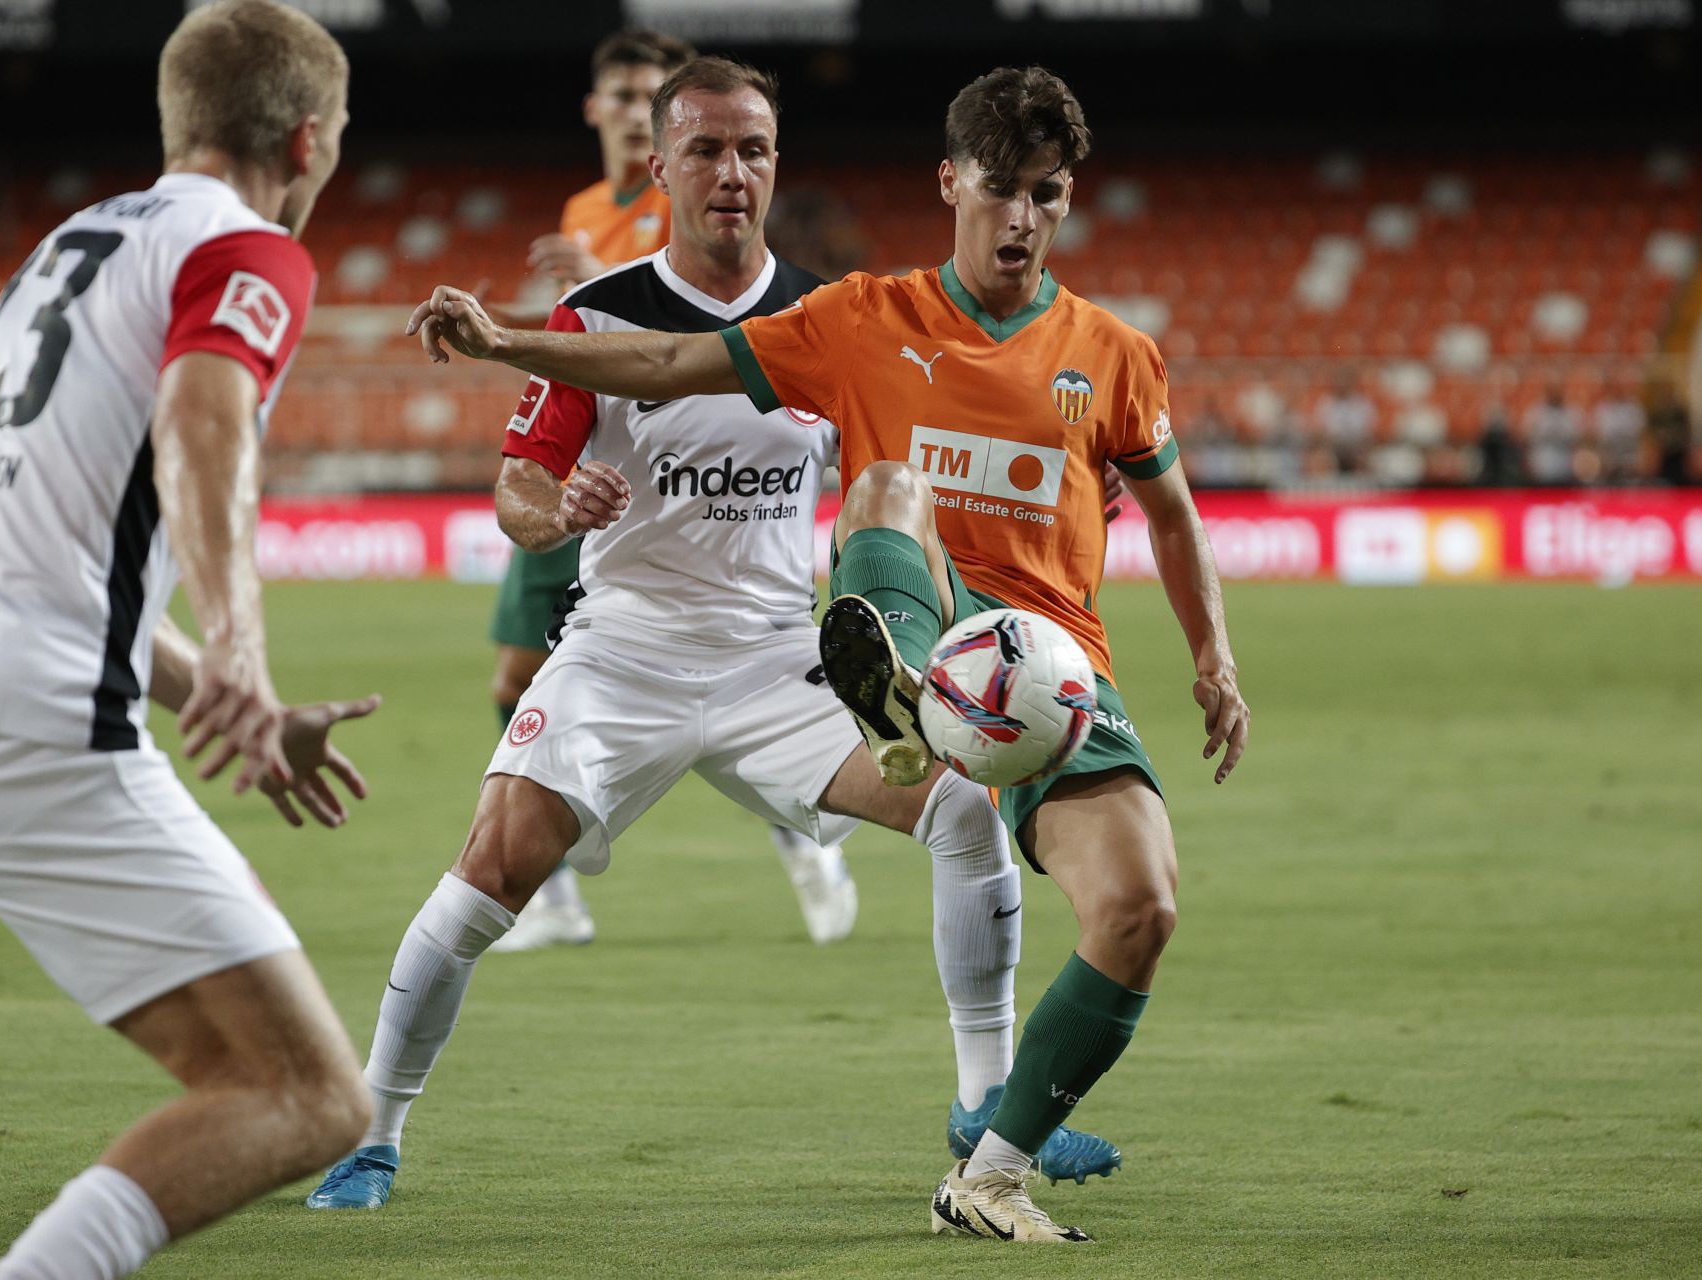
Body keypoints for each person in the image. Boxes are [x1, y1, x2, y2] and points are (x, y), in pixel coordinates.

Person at [405, 64, 1251, 1244]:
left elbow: (1171, 514)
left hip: (1051, 668)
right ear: (950, 181)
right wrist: (509, 345)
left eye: (1046, 194)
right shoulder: (858, 318)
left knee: (1141, 905)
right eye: (1000, 188)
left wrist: (1212, 656)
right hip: (914, 634)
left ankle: (990, 1148)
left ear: (1067, 200)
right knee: (887, 485)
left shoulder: (1111, 352)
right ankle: (900, 694)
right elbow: (660, 361)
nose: (1020, 216)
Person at [0, 5, 377, 1277]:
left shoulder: (67, 244)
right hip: (18, 725)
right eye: (335, 142)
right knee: (302, 1093)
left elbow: (58, 549)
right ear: (306, 141)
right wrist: (238, 642)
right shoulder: (247, 250)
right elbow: (203, 412)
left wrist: (205, 684)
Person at [485, 29, 857, 953]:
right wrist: (556, 504)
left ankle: (801, 835)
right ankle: (555, 897)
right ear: (660, 158)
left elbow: (672, 346)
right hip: (621, 595)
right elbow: (527, 471)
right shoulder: (591, 234)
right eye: (705, 151)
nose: (730, 171)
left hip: (766, 636)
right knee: (510, 681)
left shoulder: (824, 315)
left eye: (751, 150)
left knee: (965, 817)